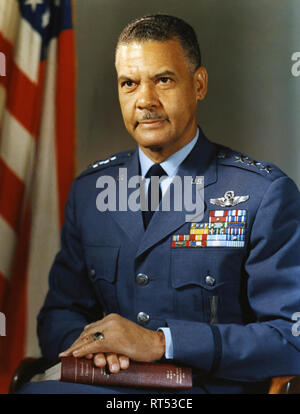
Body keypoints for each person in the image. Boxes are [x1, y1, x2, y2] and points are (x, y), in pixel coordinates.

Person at [19, 14, 300, 394]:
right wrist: (99, 350)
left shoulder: (262, 194)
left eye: (163, 80)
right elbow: (59, 314)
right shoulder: (92, 192)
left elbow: (291, 336)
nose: (145, 101)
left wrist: (162, 343)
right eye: (129, 84)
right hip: (109, 385)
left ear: (198, 84)